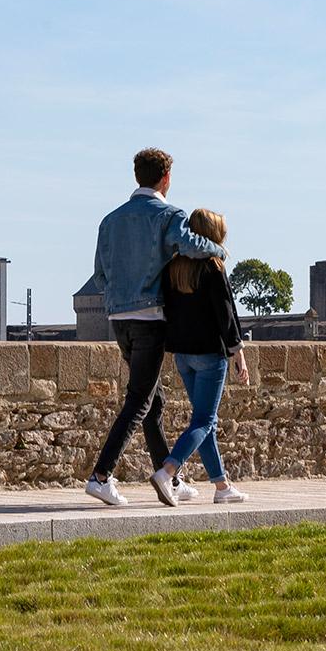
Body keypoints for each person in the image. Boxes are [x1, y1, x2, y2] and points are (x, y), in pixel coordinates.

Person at [85, 148, 228, 508]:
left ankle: (172, 479)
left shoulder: (110, 221)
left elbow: (100, 275)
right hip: (149, 318)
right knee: (139, 401)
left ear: (138, 176)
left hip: (118, 318)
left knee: (154, 400)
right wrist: (219, 251)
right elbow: (191, 245)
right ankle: (101, 476)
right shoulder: (168, 216)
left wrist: (120, 295)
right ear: (165, 178)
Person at [151, 207, 250, 507]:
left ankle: (221, 486)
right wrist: (238, 353)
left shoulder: (173, 268)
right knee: (205, 420)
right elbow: (226, 314)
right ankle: (168, 470)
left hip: (183, 354)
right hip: (210, 353)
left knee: (203, 421)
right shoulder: (213, 267)